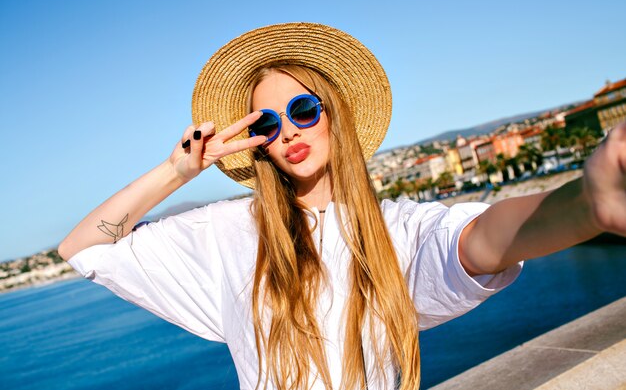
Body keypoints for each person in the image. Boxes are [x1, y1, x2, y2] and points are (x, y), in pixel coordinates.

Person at [58, 23, 626, 390]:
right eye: (266, 123)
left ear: (334, 113)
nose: (288, 131)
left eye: (304, 109)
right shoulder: (227, 235)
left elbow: (482, 240)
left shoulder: (391, 231)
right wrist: (178, 171)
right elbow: (82, 248)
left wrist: (585, 205)